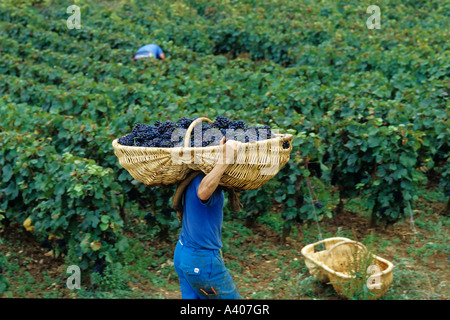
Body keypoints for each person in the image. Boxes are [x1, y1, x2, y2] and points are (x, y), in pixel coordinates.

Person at [172, 137, 242, 299]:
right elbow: (202, 192)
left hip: (184, 253)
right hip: (201, 262)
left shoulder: (193, 175)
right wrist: (226, 158)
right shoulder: (202, 179)